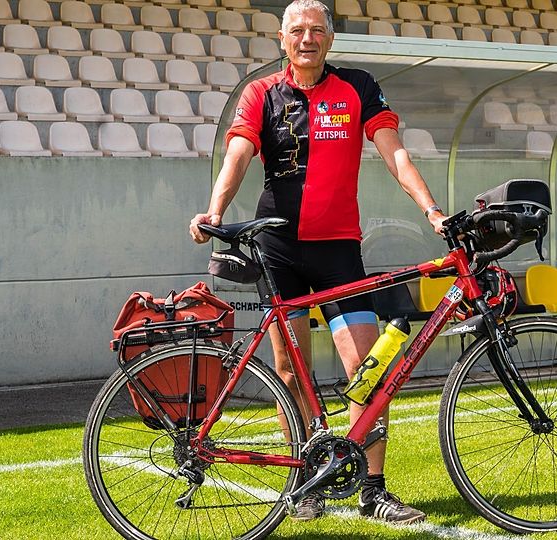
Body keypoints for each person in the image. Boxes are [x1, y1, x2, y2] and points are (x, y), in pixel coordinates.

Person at [189, 0, 446, 525]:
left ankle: (373, 489)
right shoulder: (261, 93)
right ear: (282, 39)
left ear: (330, 39)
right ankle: (308, 482)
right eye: (297, 30)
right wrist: (214, 210)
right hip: (278, 251)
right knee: (289, 369)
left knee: (368, 370)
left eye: (316, 30)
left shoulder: (357, 87)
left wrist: (432, 209)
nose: (307, 38)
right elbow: (237, 154)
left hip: (338, 252)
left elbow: (394, 151)